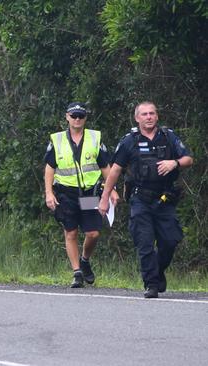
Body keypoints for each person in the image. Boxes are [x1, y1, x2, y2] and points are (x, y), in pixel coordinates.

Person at [99, 101, 193, 298]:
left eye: (152, 113)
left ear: (157, 116)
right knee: (145, 242)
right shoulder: (129, 141)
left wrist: (174, 163)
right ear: (137, 118)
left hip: (165, 198)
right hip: (140, 199)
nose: (149, 117)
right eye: (144, 114)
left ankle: (158, 272)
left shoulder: (168, 136)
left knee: (170, 240)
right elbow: (115, 170)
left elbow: (188, 159)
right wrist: (105, 197)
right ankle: (151, 284)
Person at [44, 102, 119, 288]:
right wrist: (49, 193)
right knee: (71, 232)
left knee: (93, 233)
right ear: (67, 117)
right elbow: (49, 168)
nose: (77, 119)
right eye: (74, 115)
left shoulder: (95, 138)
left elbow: (105, 167)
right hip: (66, 193)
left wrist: (112, 190)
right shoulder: (57, 139)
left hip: (88, 193)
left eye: (81, 116)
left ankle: (85, 260)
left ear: (85, 118)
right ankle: (77, 272)